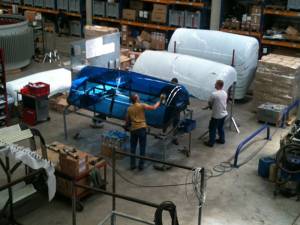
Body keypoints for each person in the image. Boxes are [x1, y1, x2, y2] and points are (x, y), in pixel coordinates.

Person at [125, 93, 162, 170]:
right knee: (142, 147)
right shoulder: (142, 105)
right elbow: (154, 107)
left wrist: (127, 126)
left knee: (133, 148)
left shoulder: (129, 108)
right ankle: (141, 166)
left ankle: (132, 165)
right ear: (136, 99)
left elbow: (127, 120)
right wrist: (159, 101)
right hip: (141, 129)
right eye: (138, 97)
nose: (139, 98)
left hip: (133, 129)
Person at [204, 80, 228, 147]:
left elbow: (210, 103)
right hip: (224, 114)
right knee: (220, 127)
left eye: (215, 84)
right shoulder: (225, 93)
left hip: (216, 115)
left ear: (218, 85)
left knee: (212, 128)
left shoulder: (214, 94)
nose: (214, 85)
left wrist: (209, 106)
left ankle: (211, 142)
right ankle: (222, 140)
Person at [171, 78, 180, 145]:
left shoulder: (179, 91)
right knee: (166, 123)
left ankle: (175, 138)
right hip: (170, 110)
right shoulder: (169, 89)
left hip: (176, 111)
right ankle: (163, 134)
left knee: (175, 125)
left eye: (173, 83)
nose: (172, 85)